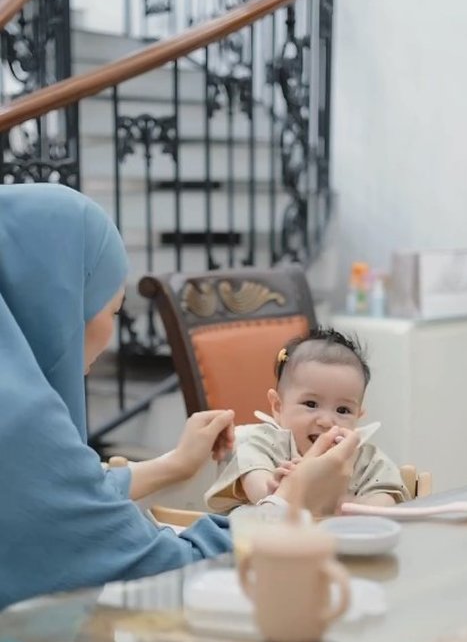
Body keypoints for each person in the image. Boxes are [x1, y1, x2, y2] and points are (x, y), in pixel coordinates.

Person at [0, 183, 360, 613]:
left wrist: (173, 465)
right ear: (59, 302)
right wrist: (290, 502)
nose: (113, 334)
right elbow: (176, 573)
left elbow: (56, 499)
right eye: (113, 311)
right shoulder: (19, 424)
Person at [205, 327, 410, 514]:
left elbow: (388, 496)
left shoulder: (365, 457)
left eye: (343, 409)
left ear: (358, 416)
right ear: (278, 406)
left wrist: (357, 507)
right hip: (266, 544)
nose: (327, 421)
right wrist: (274, 488)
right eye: (311, 404)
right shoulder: (264, 441)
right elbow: (255, 481)